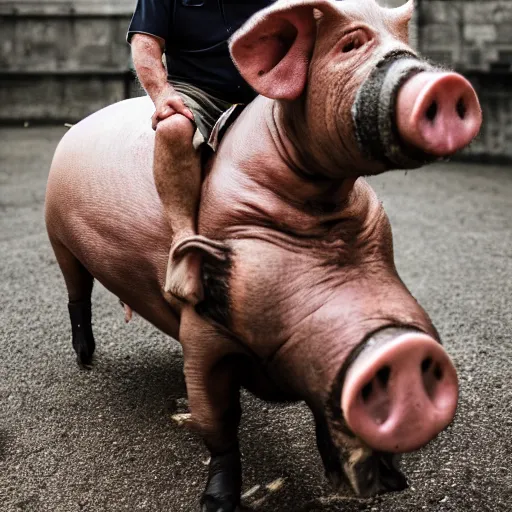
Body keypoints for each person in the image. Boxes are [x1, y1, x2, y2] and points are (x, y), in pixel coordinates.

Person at [127, 0, 274, 305]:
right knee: (173, 129)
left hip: (267, 90)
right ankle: (184, 242)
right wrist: (162, 94)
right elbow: (145, 42)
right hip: (198, 92)